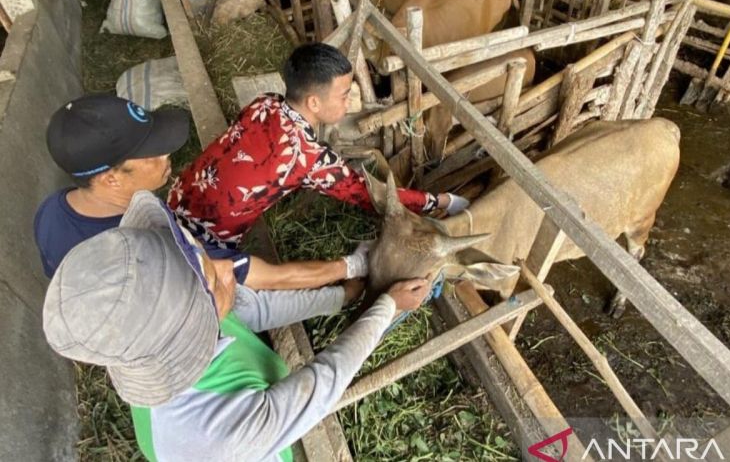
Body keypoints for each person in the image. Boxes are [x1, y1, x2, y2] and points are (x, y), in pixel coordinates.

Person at [42, 191, 431, 462]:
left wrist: (340, 298)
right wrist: (387, 307)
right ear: (189, 322)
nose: (229, 268)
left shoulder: (151, 329)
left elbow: (254, 309)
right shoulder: (214, 437)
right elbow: (324, 381)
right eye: (213, 278)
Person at [34, 95, 369, 289]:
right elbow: (265, 276)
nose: (168, 156)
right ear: (111, 179)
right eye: (153, 154)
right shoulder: (158, 243)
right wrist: (349, 268)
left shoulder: (51, 210)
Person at [167, 43, 470, 248]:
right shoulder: (306, 158)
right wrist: (440, 201)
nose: (349, 100)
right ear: (314, 101)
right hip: (203, 239)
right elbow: (372, 196)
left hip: (178, 197)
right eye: (343, 95)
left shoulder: (266, 102)